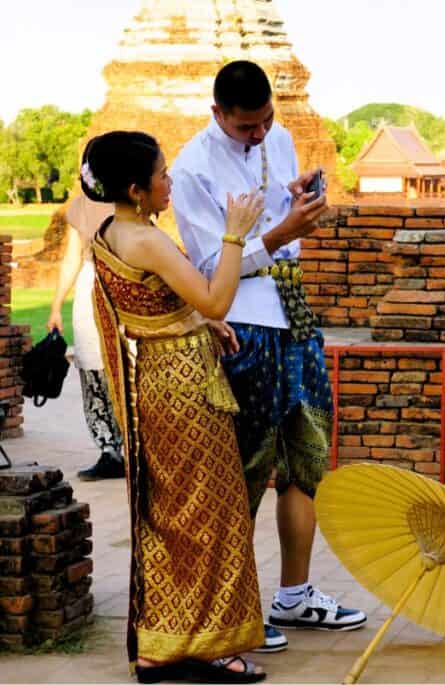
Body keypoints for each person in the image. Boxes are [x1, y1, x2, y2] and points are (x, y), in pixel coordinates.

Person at [171, 60, 366, 653]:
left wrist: (299, 200)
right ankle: (234, 605)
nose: (259, 134)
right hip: (245, 321)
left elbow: (285, 216)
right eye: (246, 126)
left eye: (265, 121)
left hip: (294, 311)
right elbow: (209, 267)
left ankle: (295, 593)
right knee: (244, 468)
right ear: (218, 113)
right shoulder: (192, 167)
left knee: (306, 458)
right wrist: (279, 234)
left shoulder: (276, 139)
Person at [83, 131, 266, 682]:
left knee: (172, 512)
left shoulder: (110, 232)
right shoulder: (146, 239)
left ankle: (160, 645)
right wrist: (234, 235)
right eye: (162, 174)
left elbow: (157, 305)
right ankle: (208, 646)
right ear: (136, 190)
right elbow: (216, 296)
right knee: (210, 511)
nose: (170, 182)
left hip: (156, 384)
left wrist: (198, 321)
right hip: (184, 389)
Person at [47, 195, 126, 480]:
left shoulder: (131, 194)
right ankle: (109, 451)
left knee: (127, 366)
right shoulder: (80, 205)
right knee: (93, 369)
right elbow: (73, 257)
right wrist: (56, 306)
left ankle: (138, 448)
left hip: (125, 282)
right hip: (90, 285)